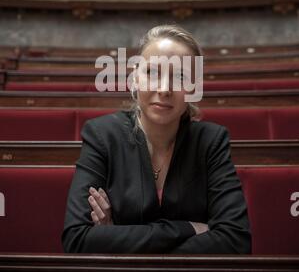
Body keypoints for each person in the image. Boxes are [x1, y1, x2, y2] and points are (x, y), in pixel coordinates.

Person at [62, 25, 251, 254]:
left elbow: (236, 241)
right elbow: (77, 240)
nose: (164, 88)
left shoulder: (211, 141)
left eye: (180, 76)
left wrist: (117, 236)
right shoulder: (101, 135)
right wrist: (188, 229)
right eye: (152, 72)